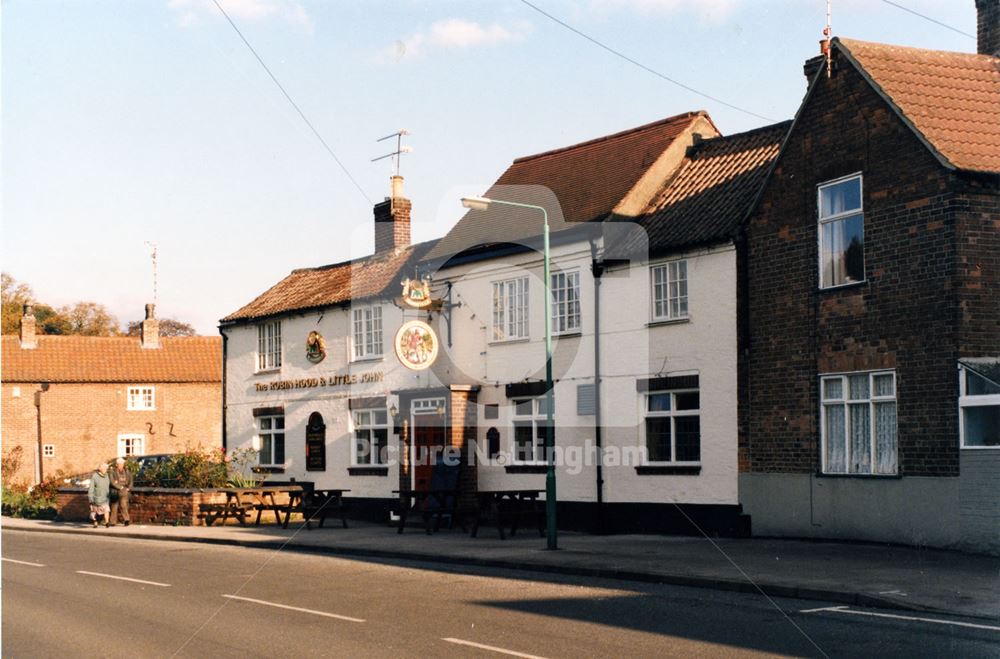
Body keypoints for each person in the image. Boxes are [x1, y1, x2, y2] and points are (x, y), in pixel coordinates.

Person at [108, 457, 133, 527]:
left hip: (124, 491)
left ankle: (126, 520)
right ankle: (113, 521)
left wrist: (129, 488)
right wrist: (119, 487)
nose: (121, 465)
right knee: (114, 506)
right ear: (116, 465)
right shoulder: (112, 472)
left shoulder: (127, 471)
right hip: (115, 491)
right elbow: (112, 482)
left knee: (123, 505)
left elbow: (131, 481)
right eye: (119, 464)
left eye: (122, 464)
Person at [87, 463, 111, 528]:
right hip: (96, 498)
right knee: (95, 512)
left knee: (106, 510)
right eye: (104, 469)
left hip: (105, 497)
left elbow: (109, 485)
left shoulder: (107, 476)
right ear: (100, 469)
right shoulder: (95, 476)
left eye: (106, 469)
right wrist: (90, 498)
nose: (105, 470)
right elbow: (91, 488)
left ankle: (107, 522)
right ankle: (95, 522)